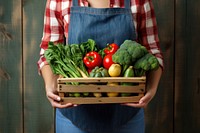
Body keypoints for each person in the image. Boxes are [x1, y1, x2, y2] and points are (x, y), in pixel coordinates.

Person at [37, 0, 163, 133]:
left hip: (127, 115)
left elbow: (152, 50)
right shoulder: (59, 1)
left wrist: (152, 87)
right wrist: (49, 85)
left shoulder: (139, 2)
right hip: (73, 115)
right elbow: (48, 51)